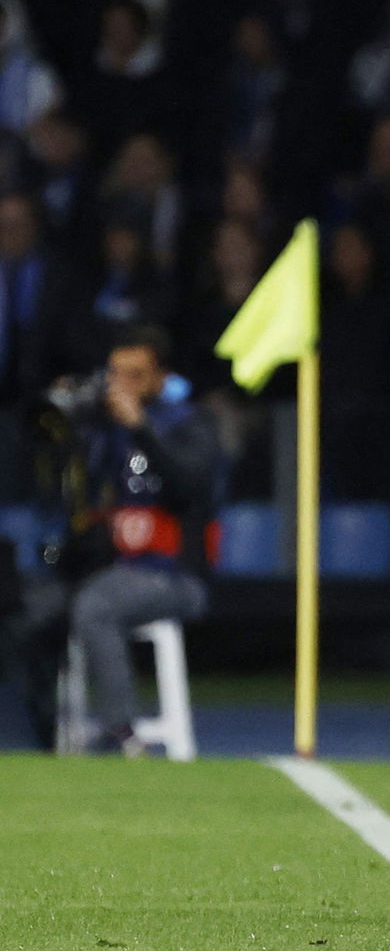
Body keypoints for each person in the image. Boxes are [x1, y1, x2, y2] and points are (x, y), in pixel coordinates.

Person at [62, 324, 219, 755]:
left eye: (135, 375)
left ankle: (122, 734)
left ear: (160, 378)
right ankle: (49, 736)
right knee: (37, 608)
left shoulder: (192, 423)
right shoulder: (104, 430)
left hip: (174, 577)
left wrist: (141, 428)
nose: (122, 386)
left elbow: (189, 484)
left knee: (96, 605)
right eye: (116, 374)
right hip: (114, 568)